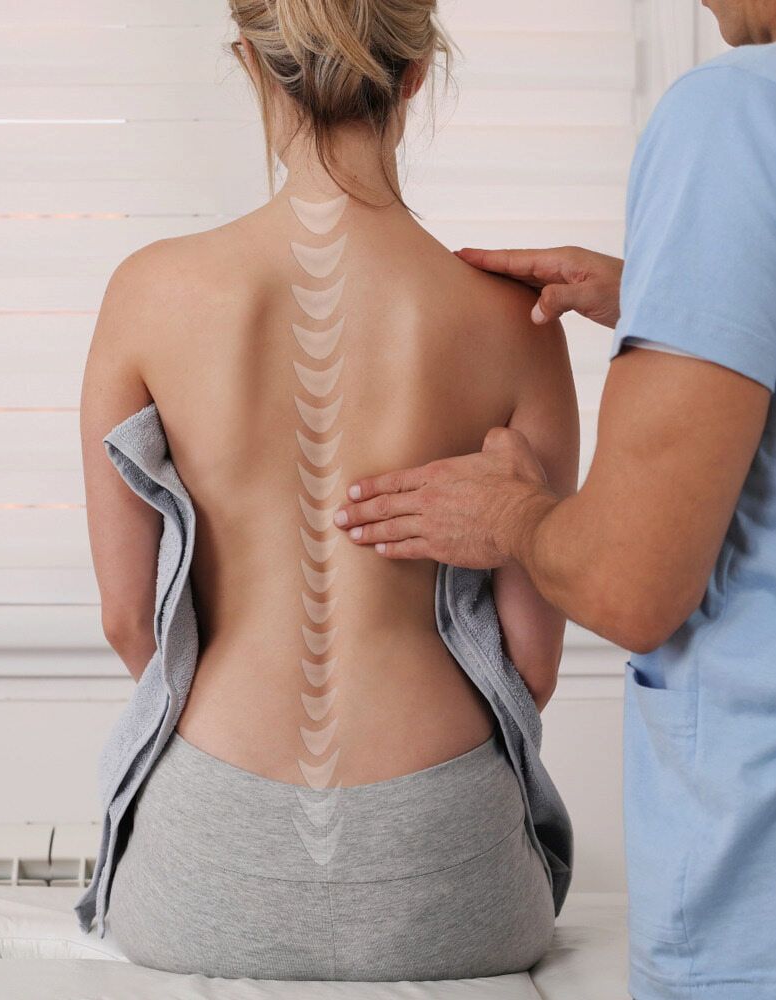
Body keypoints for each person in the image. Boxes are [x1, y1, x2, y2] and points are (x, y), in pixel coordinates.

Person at [77, 0, 579, 982]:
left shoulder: (147, 291)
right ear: (416, 78)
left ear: (253, 69)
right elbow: (531, 665)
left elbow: (126, 620)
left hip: (207, 866)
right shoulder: (515, 321)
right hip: (447, 873)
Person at [333, 4, 776, 998]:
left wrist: (511, 518)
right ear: (415, 77)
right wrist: (687, 295)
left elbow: (627, 585)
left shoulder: (734, 121)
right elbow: (526, 673)